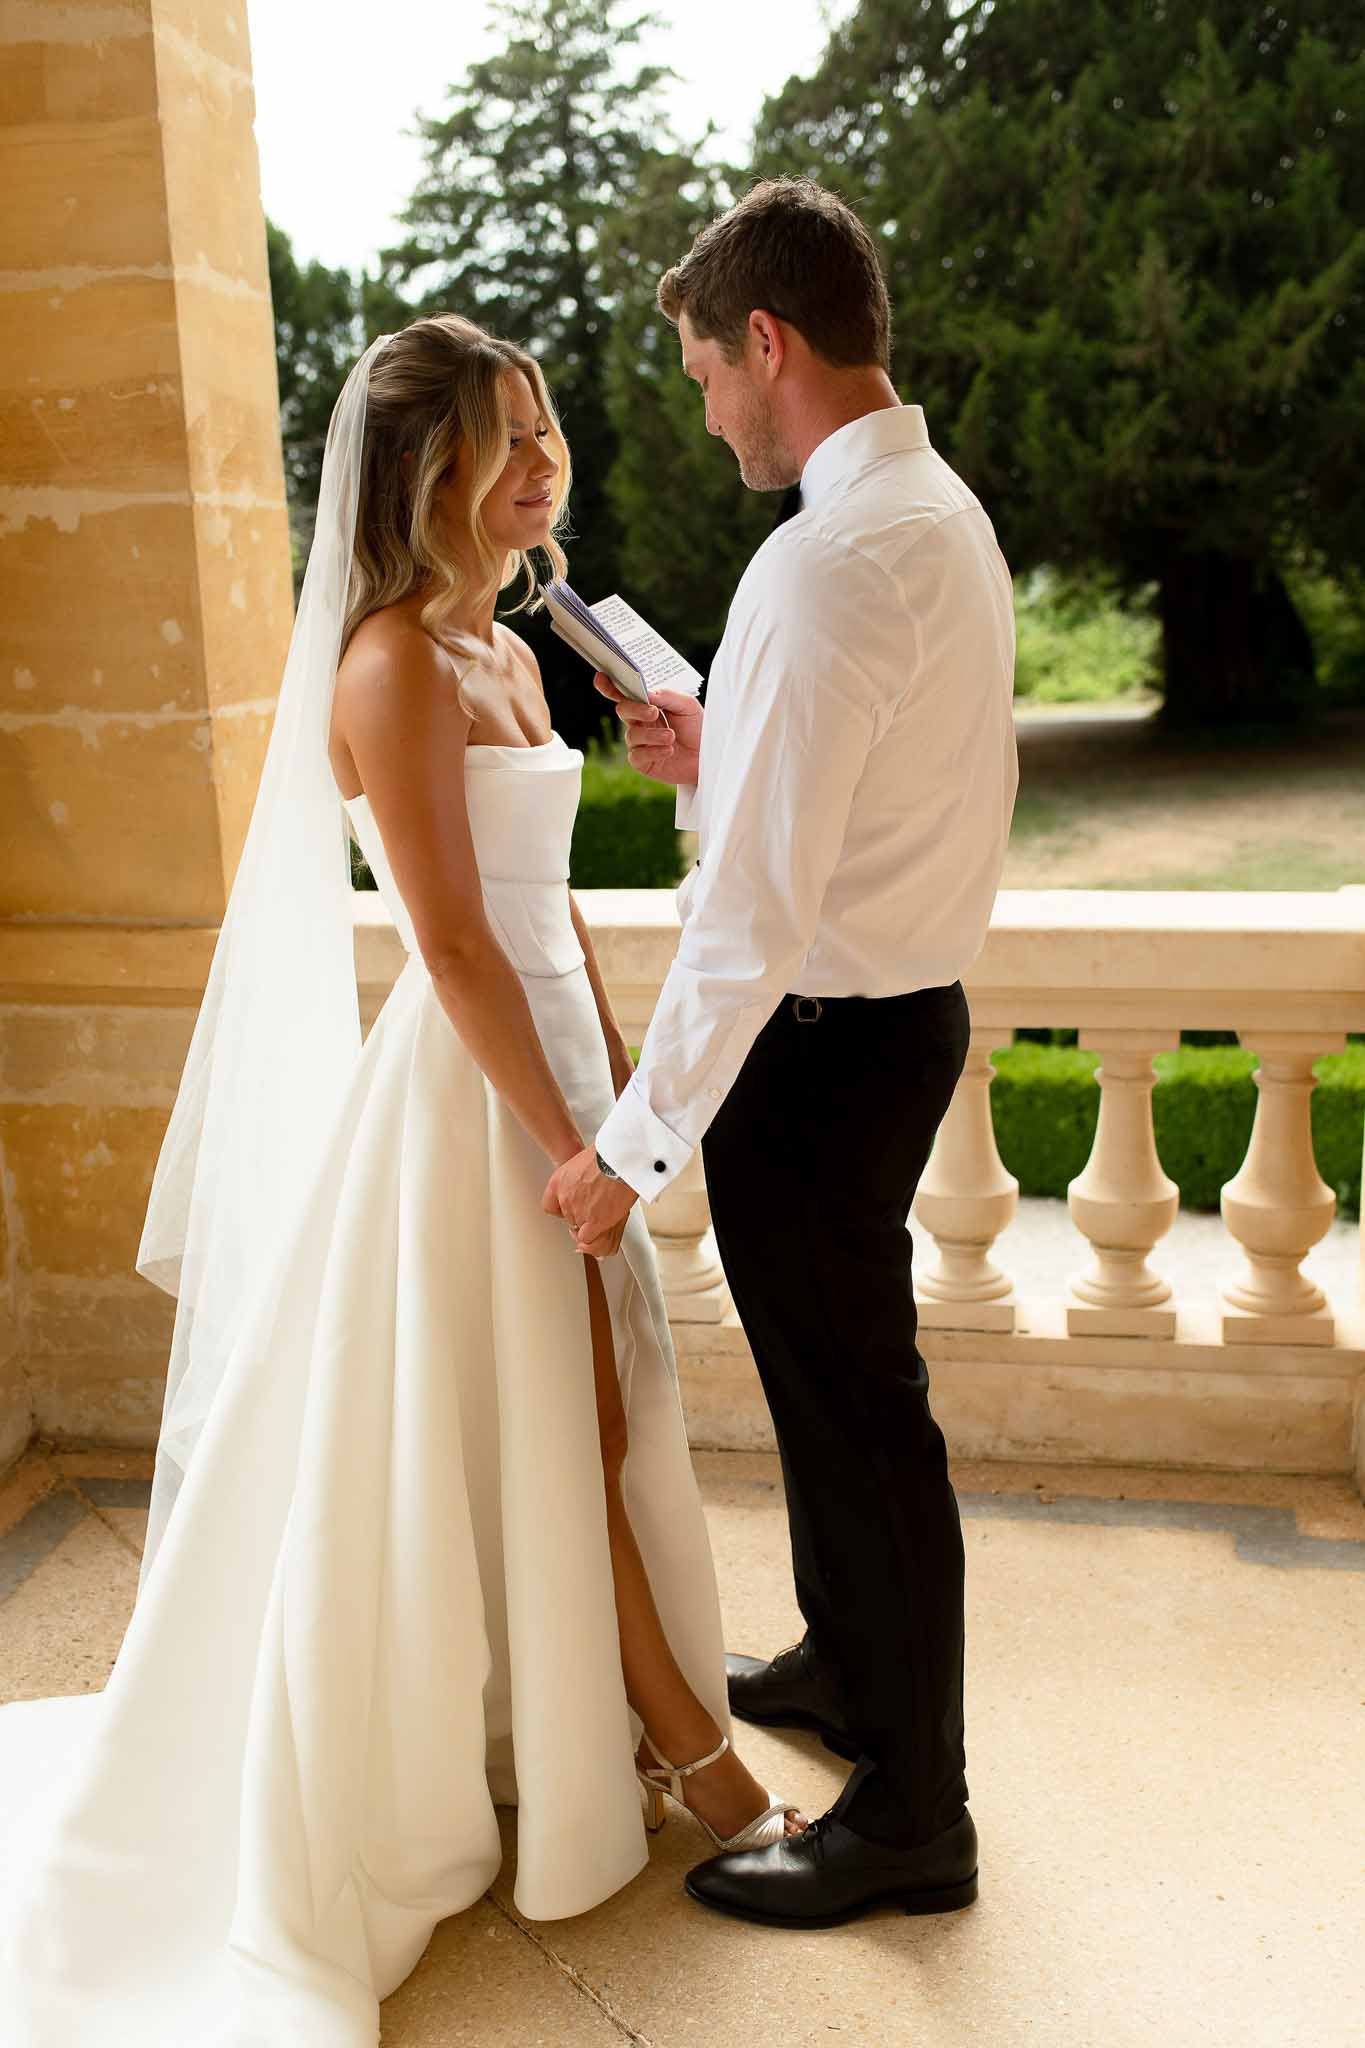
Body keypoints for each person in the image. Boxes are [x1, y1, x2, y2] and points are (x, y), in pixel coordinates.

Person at [0, 314, 801, 2046]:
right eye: (500, 443)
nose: (539, 468)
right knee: (566, 1419)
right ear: (420, 469)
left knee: (589, 1410)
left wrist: (629, 1089)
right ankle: (687, 1748)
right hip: (475, 1103)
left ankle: (592, 1724)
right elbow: (447, 946)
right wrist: (565, 1141)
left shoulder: (516, 658)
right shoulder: (385, 665)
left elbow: (547, 912)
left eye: (544, 436)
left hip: (568, 1073)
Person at [546, 178, 1018, 1928]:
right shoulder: (930, 511)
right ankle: (842, 1666)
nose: (702, 405)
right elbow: (877, 775)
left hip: (820, 1054)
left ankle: (914, 1819)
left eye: (698, 372)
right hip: (890, 1022)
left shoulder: (826, 559)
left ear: (768, 341)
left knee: (859, 1415)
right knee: (842, 1406)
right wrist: (721, 737)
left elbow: (744, 921)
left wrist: (628, 1146)